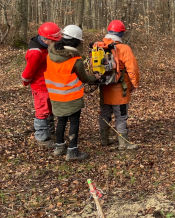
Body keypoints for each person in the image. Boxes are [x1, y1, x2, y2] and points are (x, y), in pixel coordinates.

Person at [44, 25, 99, 161]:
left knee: (61, 122)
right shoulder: (75, 61)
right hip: (71, 97)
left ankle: (59, 148)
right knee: (74, 123)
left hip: (56, 96)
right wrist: (96, 78)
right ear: (77, 42)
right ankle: (72, 151)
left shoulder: (51, 54)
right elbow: (85, 78)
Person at [98, 20, 139, 150]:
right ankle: (123, 143)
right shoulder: (124, 48)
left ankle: (104, 139)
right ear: (122, 33)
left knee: (105, 114)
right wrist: (134, 84)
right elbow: (133, 69)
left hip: (104, 87)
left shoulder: (100, 46)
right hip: (120, 89)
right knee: (121, 116)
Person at [21, 22, 61, 147]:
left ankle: (50, 132)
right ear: (44, 39)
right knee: (42, 111)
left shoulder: (46, 47)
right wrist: (25, 81)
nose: (55, 43)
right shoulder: (36, 53)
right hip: (40, 86)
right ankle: (42, 138)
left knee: (50, 110)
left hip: (49, 84)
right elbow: (29, 71)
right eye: (53, 40)